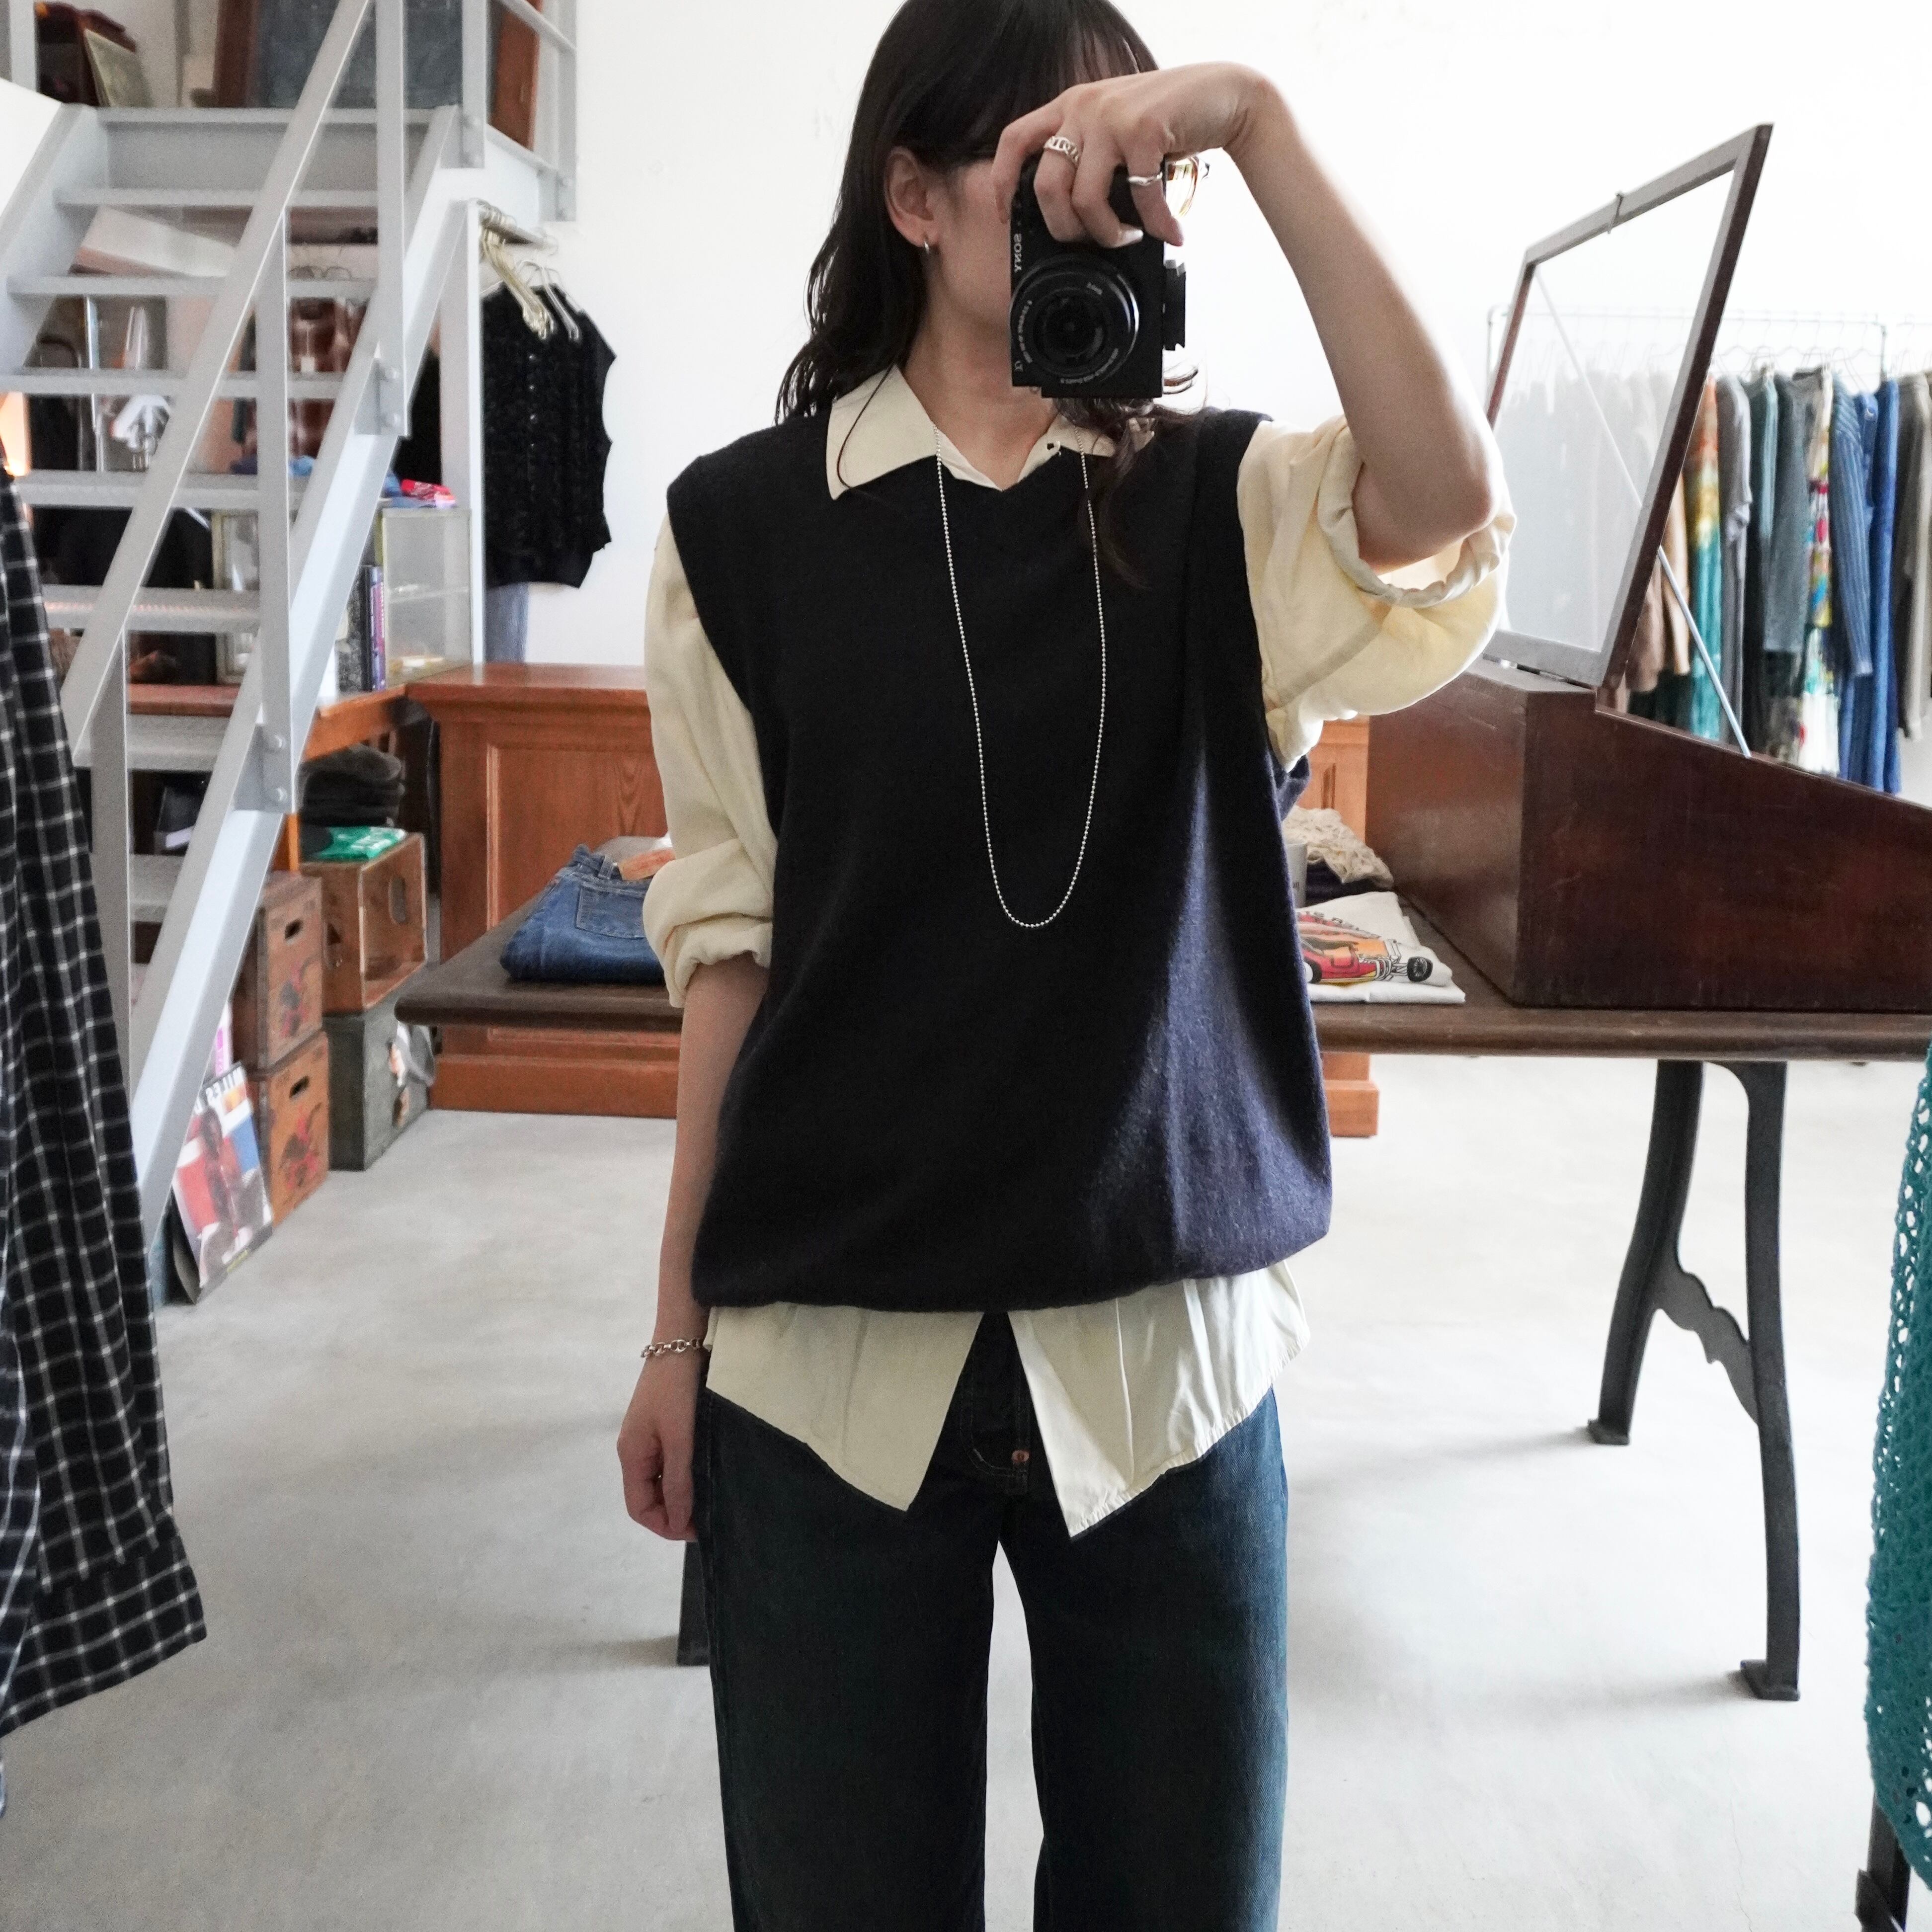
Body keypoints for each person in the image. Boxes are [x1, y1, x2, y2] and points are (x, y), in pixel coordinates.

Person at [617, 1, 1511, 1924]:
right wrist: (674, 1336)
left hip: (1162, 1370)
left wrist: (1257, 121)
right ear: (914, 197)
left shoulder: (1224, 506)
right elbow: (729, 961)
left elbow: (1444, 499)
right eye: (1046, 164)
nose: (1096, 205)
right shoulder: (741, 534)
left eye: (1134, 167)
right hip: (829, 1369)